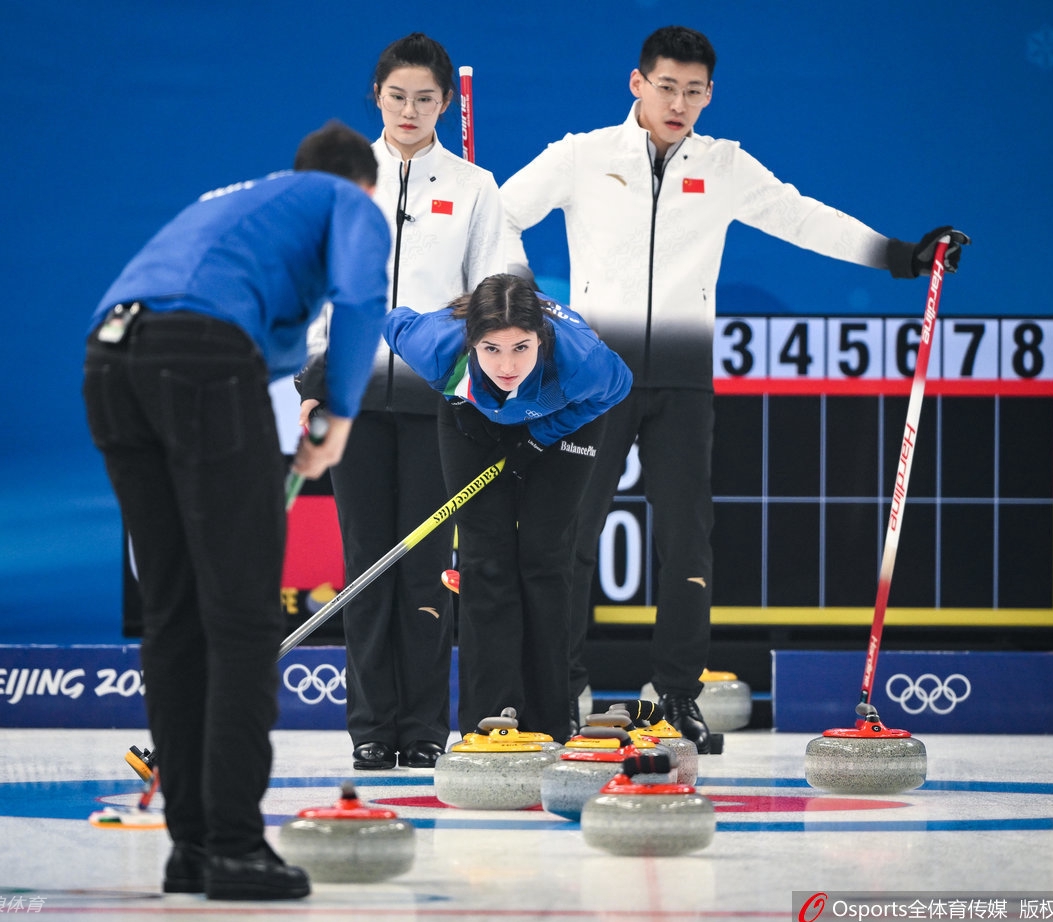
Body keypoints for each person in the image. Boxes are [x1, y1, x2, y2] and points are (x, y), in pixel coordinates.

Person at [499, 25, 969, 753]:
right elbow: (496, 217)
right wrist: (531, 307)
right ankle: (558, 692)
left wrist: (900, 256)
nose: (679, 102)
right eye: (666, 87)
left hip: (683, 380)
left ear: (709, 94)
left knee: (687, 538)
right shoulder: (581, 156)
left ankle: (677, 699)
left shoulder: (724, 166)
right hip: (592, 378)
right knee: (569, 536)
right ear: (637, 83)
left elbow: (800, 216)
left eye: (694, 91)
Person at [82, 120, 390, 901]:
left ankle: (191, 846)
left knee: (175, 612)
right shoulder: (345, 199)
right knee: (244, 614)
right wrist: (341, 417)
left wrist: (302, 417)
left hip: (110, 362)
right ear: (363, 185)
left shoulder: (235, 205)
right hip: (201, 358)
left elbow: (277, 349)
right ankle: (235, 846)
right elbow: (360, 296)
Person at [296, 33, 504, 772]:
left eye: (425, 98)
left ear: (446, 102)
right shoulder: (346, 178)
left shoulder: (476, 188)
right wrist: (311, 385)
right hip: (350, 398)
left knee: (423, 567)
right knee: (363, 564)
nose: (410, 110)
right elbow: (313, 286)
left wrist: (485, 374)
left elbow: (503, 294)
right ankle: (370, 728)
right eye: (396, 96)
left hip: (436, 403)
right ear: (375, 98)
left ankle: (422, 729)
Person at [383, 273, 632, 743]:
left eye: (521, 347)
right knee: (485, 560)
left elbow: (619, 387)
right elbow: (392, 320)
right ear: (471, 342)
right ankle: (488, 719)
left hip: (564, 425)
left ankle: (551, 722)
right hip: (471, 418)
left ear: (540, 338)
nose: (507, 365)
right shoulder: (436, 345)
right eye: (491, 349)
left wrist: (539, 438)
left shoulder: (581, 362)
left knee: (544, 557)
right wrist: (457, 401)